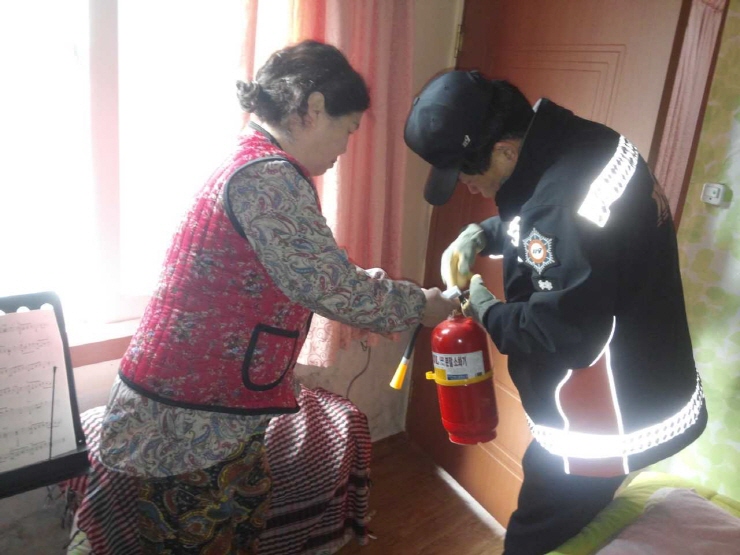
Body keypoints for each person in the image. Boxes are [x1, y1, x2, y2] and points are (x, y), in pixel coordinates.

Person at [98, 40, 458, 554]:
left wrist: (388, 292)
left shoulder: (253, 162)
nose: (345, 147)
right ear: (313, 108)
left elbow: (319, 269)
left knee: (235, 520)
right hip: (192, 413)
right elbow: (330, 286)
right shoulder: (269, 177)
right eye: (347, 129)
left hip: (202, 401)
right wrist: (420, 305)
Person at [404, 70, 708, 555]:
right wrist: (484, 233)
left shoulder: (559, 201)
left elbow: (562, 333)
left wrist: (484, 307)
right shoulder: (579, 143)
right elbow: (567, 233)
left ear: (505, 150)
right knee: (580, 520)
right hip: (650, 375)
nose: (465, 184)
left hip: (608, 416)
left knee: (533, 536)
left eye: (465, 172)